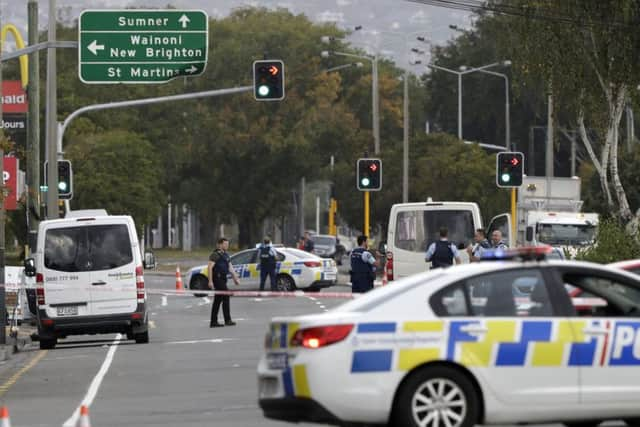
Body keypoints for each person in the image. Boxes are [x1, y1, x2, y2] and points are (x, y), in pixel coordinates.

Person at [208, 238, 240, 327]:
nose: (227, 246)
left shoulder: (226, 255)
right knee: (226, 296)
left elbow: (230, 268)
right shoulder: (215, 254)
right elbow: (210, 267)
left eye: (227, 244)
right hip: (217, 278)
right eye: (225, 244)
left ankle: (213, 322)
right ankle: (227, 320)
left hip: (223, 279)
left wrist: (235, 279)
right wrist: (210, 281)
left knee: (217, 300)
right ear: (220, 245)